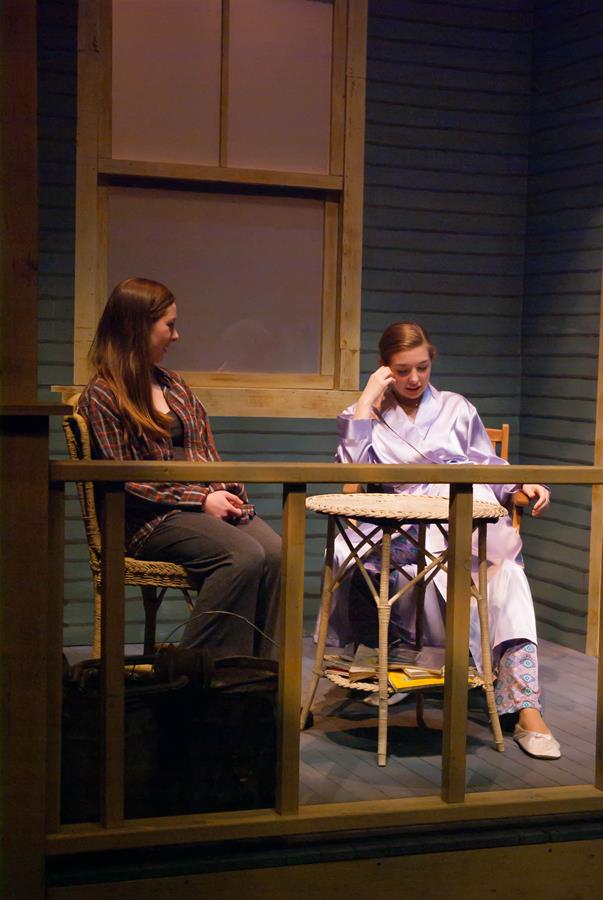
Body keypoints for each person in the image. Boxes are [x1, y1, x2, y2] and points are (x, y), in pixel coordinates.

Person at [327, 321, 560, 760]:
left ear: (432, 360)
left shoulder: (457, 407)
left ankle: (526, 706)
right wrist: (365, 402)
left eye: (422, 368)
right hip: (402, 526)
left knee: (507, 576)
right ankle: (402, 662)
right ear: (383, 369)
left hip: (460, 517)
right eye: (401, 371)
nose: (414, 379)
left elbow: (487, 465)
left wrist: (521, 485)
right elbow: (353, 475)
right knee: (366, 557)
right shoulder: (365, 412)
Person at [77, 277, 280, 659]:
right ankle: (194, 678)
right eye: (168, 325)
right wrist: (202, 498)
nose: (177, 335)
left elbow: (206, 450)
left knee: (276, 552)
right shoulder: (103, 395)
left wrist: (227, 492)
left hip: (202, 505)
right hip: (148, 518)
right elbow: (127, 475)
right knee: (242, 555)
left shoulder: (174, 385)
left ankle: (254, 677)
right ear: (138, 327)